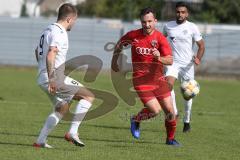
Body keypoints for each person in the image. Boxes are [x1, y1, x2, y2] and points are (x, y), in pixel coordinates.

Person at [112, 7, 180, 146]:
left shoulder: (160, 38)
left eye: (150, 21)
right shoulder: (133, 36)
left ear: (155, 21)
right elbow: (119, 45)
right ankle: (136, 120)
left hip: (159, 80)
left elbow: (170, 60)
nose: (147, 25)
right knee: (155, 110)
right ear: (140, 22)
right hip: (141, 80)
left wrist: (159, 57)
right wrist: (114, 62)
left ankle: (170, 139)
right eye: (144, 22)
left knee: (170, 112)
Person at [33, 3, 94, 148]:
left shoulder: (47, 29)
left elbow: (37, 51)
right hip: (53, 77)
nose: (74, 23)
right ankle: (73, 132)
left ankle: (40, 141)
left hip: (42, 77)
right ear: (69, 19)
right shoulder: (60, 32)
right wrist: (52, 78)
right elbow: (51, 53)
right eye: (74, 20)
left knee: (62, 108)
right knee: (88, 96)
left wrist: (44, 72)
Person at [163, 1, 205, 132]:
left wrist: (198, 58)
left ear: (187, 14)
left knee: (188, 95)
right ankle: (174, 112)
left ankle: (187, 121)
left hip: (187, 64)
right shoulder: (168, 26)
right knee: (168, 85)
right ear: (175, 12)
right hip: (172, 63)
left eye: (183, 12)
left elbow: (201, 45)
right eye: (178, 12)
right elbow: (160, 41)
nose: (180, 14)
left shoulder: (192, 27)